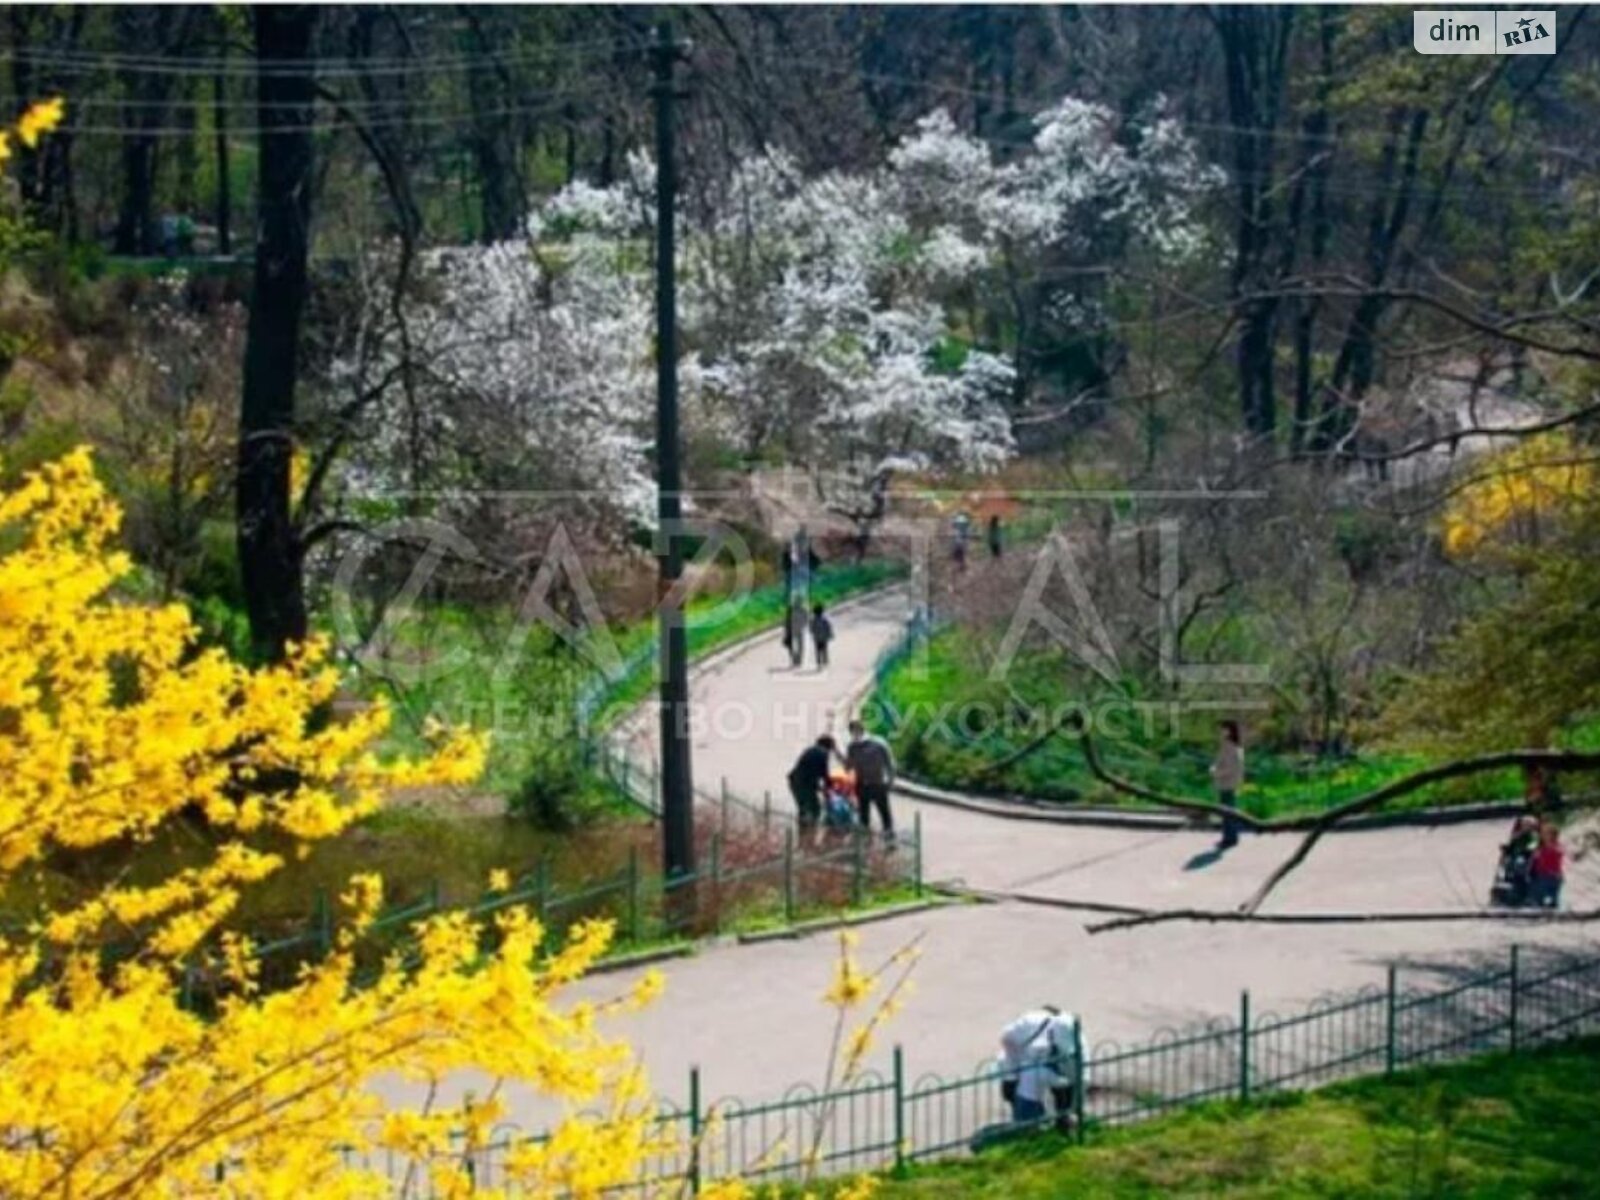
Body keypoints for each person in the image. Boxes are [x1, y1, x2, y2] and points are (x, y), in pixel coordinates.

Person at [996, 1006, 1080, 1133]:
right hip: (1043, 1067)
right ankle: (1037, 1124)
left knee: (1059, 1095)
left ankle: (1058, 1122)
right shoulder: (1031, 1024)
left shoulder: (1071, 1032)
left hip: (1052, 1070)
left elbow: (1083, 1073)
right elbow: (1007, 1039)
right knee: (1025, 1089)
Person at [845, 718, 896, 843]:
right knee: (863, 814)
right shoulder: (852, 747)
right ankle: (865, 842)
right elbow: (848, 767)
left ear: (862, 729)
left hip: (877, 784)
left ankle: (889, 839)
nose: (855, 734)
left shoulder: (879, 744)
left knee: (884, 813)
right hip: (862, 785)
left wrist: (890, 781)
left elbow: (890, 763)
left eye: (857, 730)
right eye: (853, 731)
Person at [787, 735, 837, 846]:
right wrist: (830, 787)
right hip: (802, 784)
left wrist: (823, 787)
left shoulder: (811, 750)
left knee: (805, 809)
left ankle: (804, 838)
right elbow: (824, 773)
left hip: (797, 782)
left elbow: (813, 772)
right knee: (813, 809)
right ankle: (807, 839)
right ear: (828, 746)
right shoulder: (822, 753)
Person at [1212, 720, 1246, 849]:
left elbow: (1231, 768)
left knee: (1228, 812)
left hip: (1228, 782)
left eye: (1223, 729)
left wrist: (1216, 772)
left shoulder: (1230, 747)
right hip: (1228, 782)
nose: (1220, 732)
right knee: (1228, 811)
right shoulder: (1231, 746)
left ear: (1229, 731)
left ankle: (1230, 838)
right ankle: (1230, 837)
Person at [1529, 822, 1565, 908]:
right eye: (1543, 834)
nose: (1544, 836)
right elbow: (1535, 860)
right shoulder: (1540, 847)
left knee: (1553, 899)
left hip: (1553, 876)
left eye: (1547, 834)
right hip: (1542, 875)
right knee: (1538, 898)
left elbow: (1559, 854)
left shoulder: (1557, 846)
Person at [785, 598, 808, 669]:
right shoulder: (803, 609)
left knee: (794, 646)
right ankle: (798, 660)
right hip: (799, 629)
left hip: (793, 630)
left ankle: (795, 660)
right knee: (799, 645)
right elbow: (806, 620)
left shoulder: (791, 609)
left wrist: (787, 629)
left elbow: (787, 620)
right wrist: (802, 625)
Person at [810, 602, 834, 668]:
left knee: (818, 650)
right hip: (824, 637)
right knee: (824, 650)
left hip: (817, 638)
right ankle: (825, 661)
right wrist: (830, 635)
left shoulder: (813, 620)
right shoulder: (825, 619)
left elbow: (811, 629)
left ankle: (818, 663)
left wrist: (813, 633)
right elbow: (828, 627)